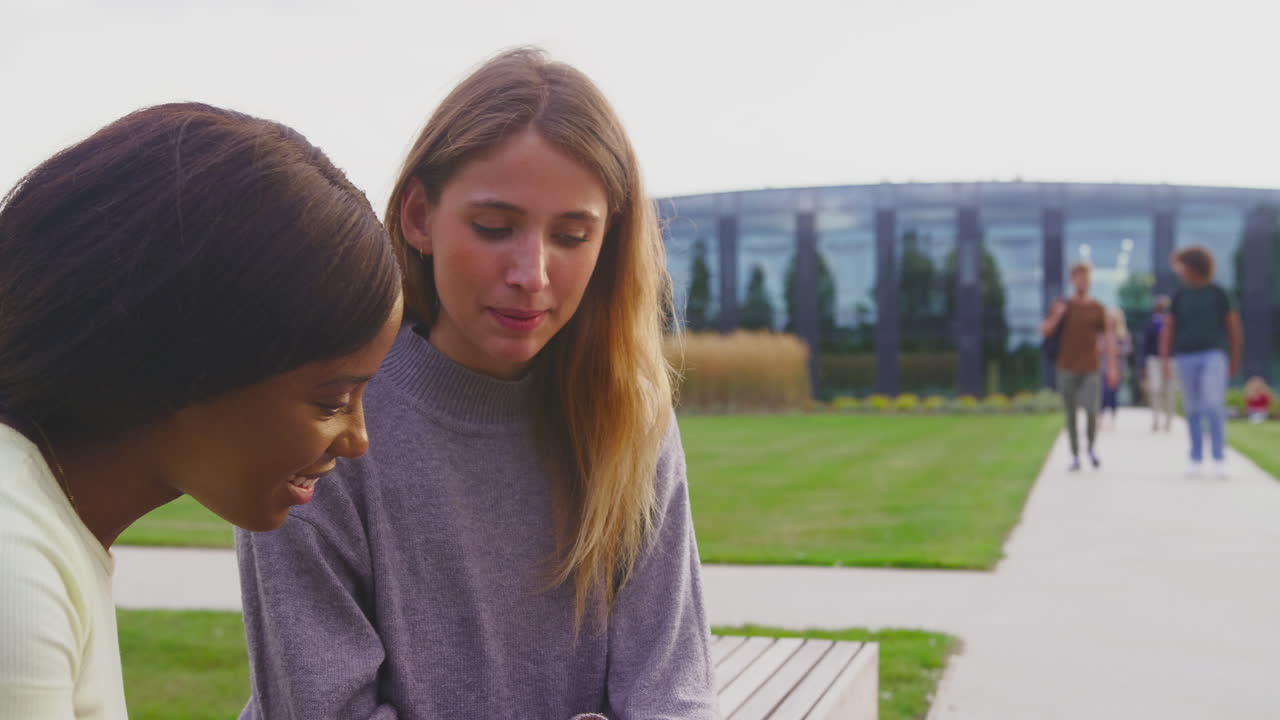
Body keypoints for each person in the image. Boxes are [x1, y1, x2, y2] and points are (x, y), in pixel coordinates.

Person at [235, 48, 717, 719]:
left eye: (573, 236)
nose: (532, 273)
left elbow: (674, 694)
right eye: (495, 227)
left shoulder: (629, 418)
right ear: (417, 217)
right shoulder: (323, 419)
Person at [0, 104, 403, 719]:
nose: (357, 440)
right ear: (192, 356)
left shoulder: (45, 527)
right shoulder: (16, 563)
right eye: (331, 401)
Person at [1161, 245, 1244, 478]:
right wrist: (1166, 359)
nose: (1180, 271)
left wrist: (1235, 358)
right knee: (1193, 408)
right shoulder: (1180, 295)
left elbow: (1234, 328)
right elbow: (1169, 329)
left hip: (1213, 355)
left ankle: (1219, 457)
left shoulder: (1219, 293)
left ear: (1193, 266)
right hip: (1186, 355)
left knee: (1212, 403)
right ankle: (1196, 456)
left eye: (1182, 266)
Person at [1042, 262, 1118, 471]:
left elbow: (1109, 338)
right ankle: (1075, 455)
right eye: (1078, 277)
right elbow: (1045, 331)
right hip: (1066, 367)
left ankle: (1091, 448)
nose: (1082, 281)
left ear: (1090, 280)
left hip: (1091, 368)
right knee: (1070, 414)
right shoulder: (1062, 305)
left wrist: (1112, 367)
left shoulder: (1098, 308)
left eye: (1085, 277)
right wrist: (1058, 315)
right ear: (1072, 280)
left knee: (1093, 410)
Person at [1141, 295, 1176, 432]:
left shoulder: (1172, 323)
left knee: (1169, 391)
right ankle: (1156, 419)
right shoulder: (1151, 324)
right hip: (1154, 360)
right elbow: (1145, 345)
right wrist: (1143, 365)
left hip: (1171, 360)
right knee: (1155, 390)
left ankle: (1168, 421)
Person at [1099, 307, 1132, 429]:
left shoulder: (1123, 334)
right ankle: (1101, 416)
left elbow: (1128, 349)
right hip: (1103, 368)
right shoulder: (1101, 333)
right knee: (1103, 393)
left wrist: (1115, 350)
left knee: (1113, 394)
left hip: (1118, 369)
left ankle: (1113, 417)